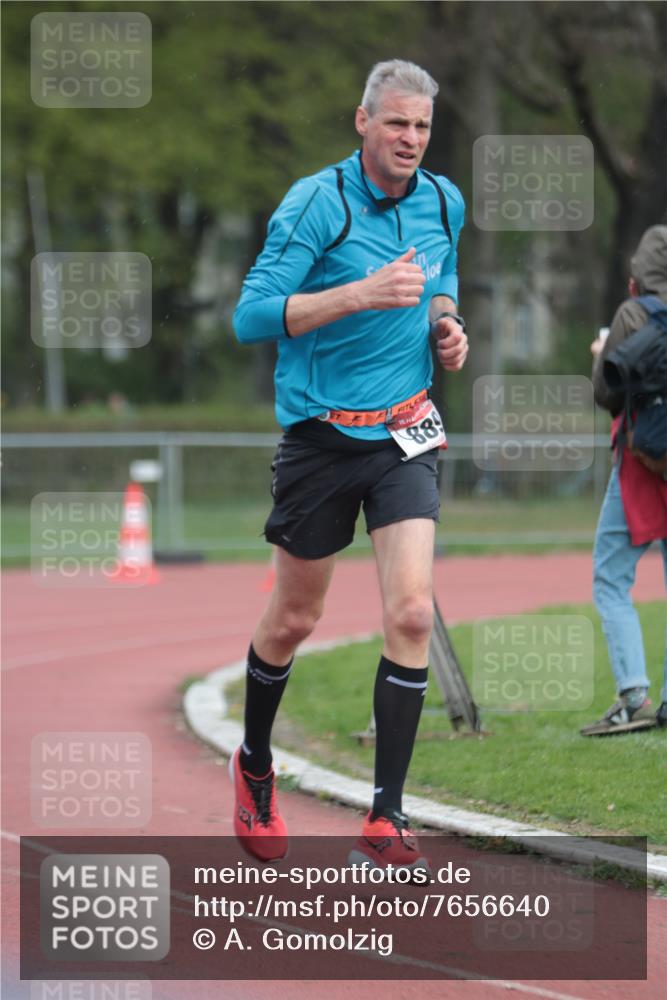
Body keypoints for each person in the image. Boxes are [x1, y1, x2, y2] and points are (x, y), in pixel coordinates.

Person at [231, 60, 467, 868]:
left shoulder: (442, 200)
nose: (409, 139)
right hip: (321, 440)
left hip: (405, 432)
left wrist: (446, 322)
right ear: (361, 121)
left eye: (422, 126)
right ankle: (255, 765)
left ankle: (386, 813)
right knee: (295, 621)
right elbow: (251, 316)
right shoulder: (316, 203)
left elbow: (444, 278)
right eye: (395, 123)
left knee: (409, 615)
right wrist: (357, 295)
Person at [581, 225, 667, 736]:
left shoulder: (632, 313)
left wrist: (601, 353)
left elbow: (605, 392)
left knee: (611, 576)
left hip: (641, 460)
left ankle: (634, 693)